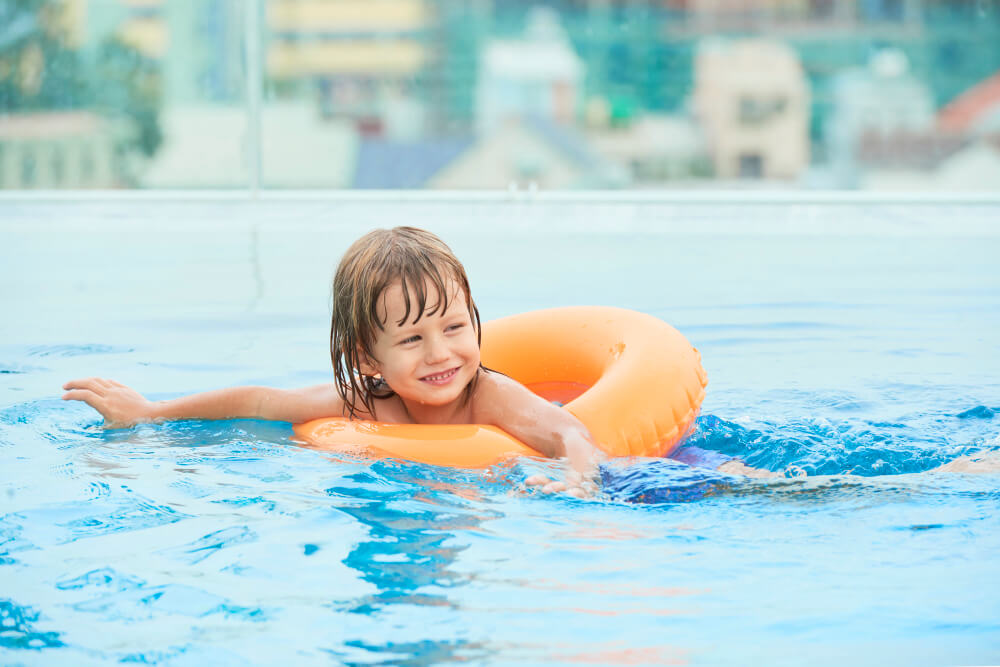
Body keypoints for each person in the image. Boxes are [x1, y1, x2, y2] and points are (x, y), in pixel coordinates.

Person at [63, 227, 603, 497]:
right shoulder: (365, 403)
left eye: (455, 327)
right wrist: (151, 413)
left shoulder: (488, 396)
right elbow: (260, 401)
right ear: (368, 359)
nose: (441, 353)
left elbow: (570, 432)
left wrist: (577, 480)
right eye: (412, 339)